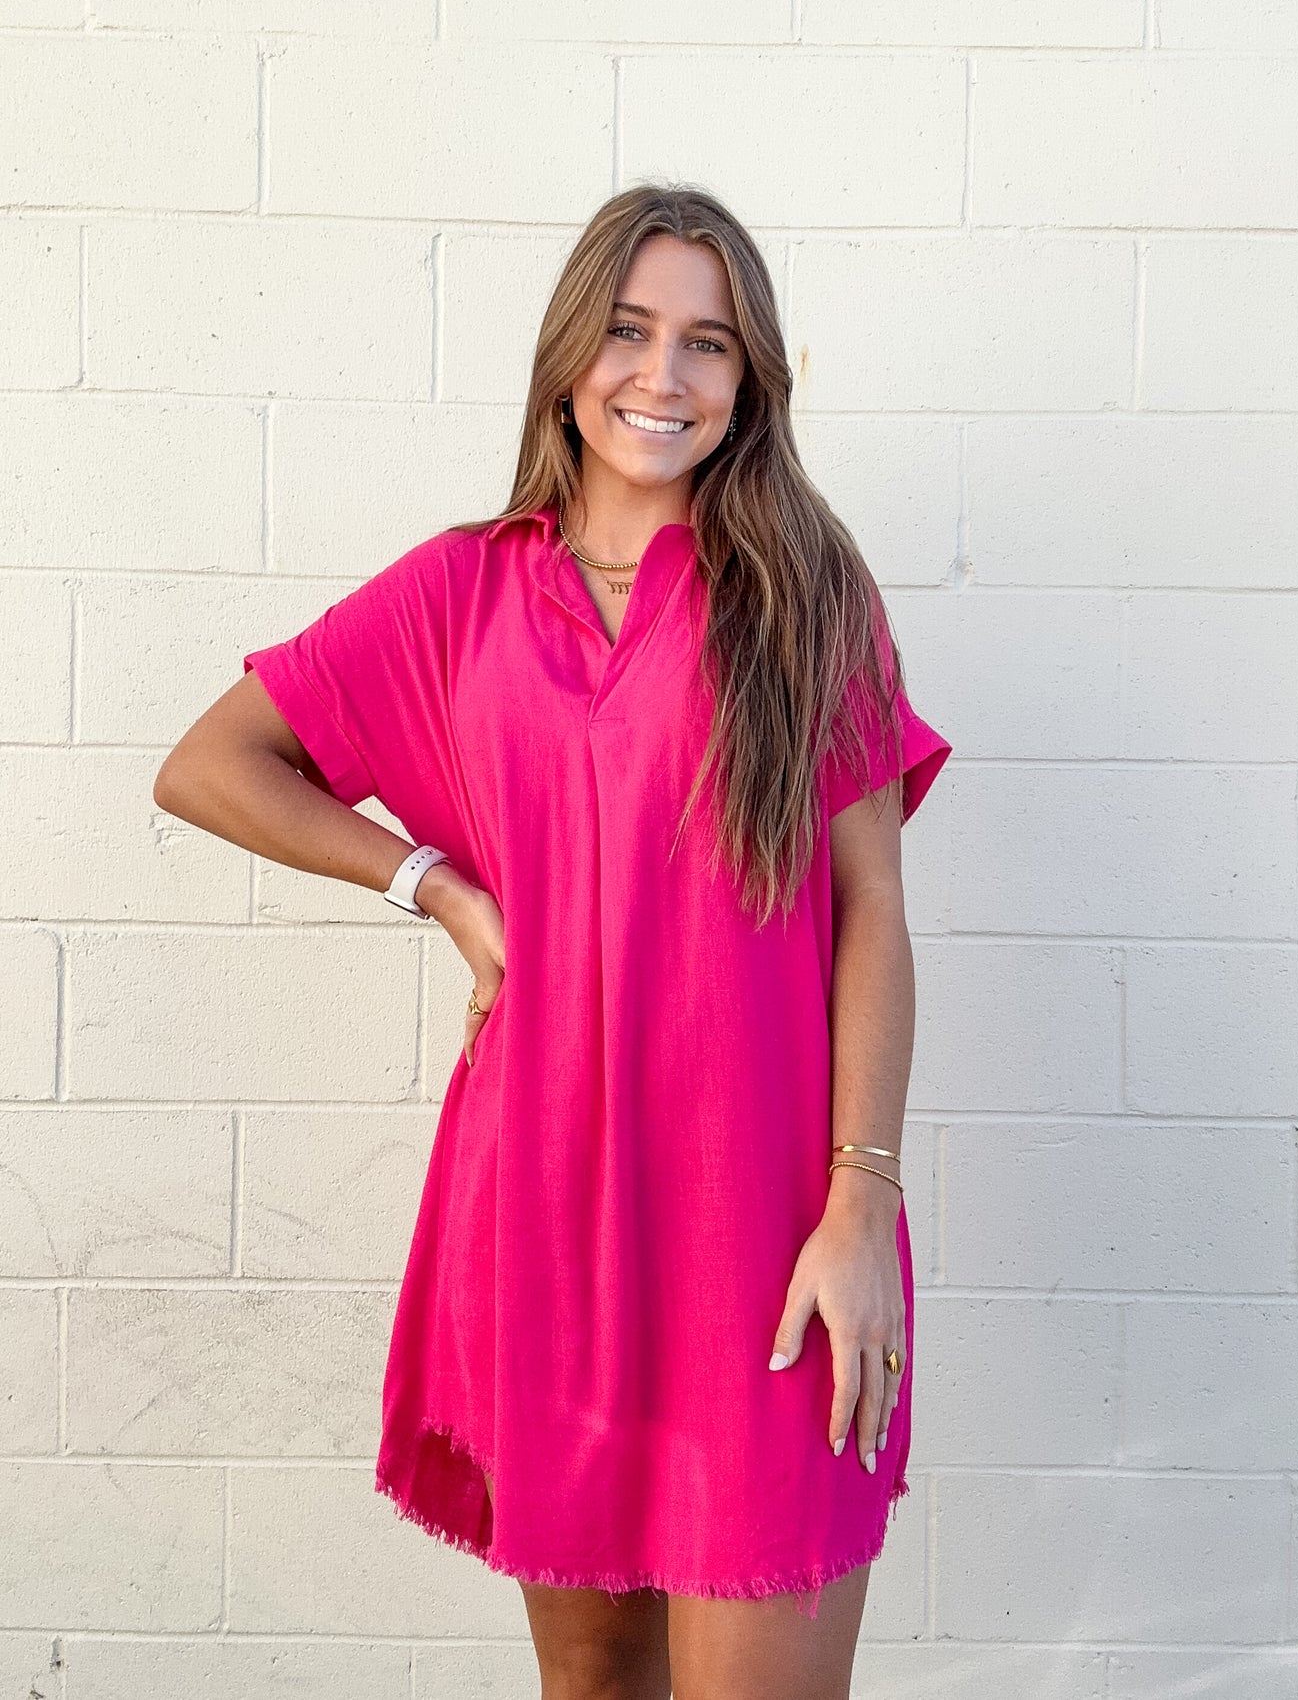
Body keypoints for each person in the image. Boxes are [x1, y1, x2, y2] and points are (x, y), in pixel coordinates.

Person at [153, 182, 951, 1700]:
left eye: (708, 343)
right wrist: (440, 888)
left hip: (767, 1234)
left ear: (750, 380)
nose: (663, 375)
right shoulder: (457, 593)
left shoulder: (807, 597)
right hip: (547, 1220)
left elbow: (872, 915)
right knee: (593, 1690)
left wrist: (860, 1208)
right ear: (570, 353)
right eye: (630, 330)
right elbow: (211, 765)